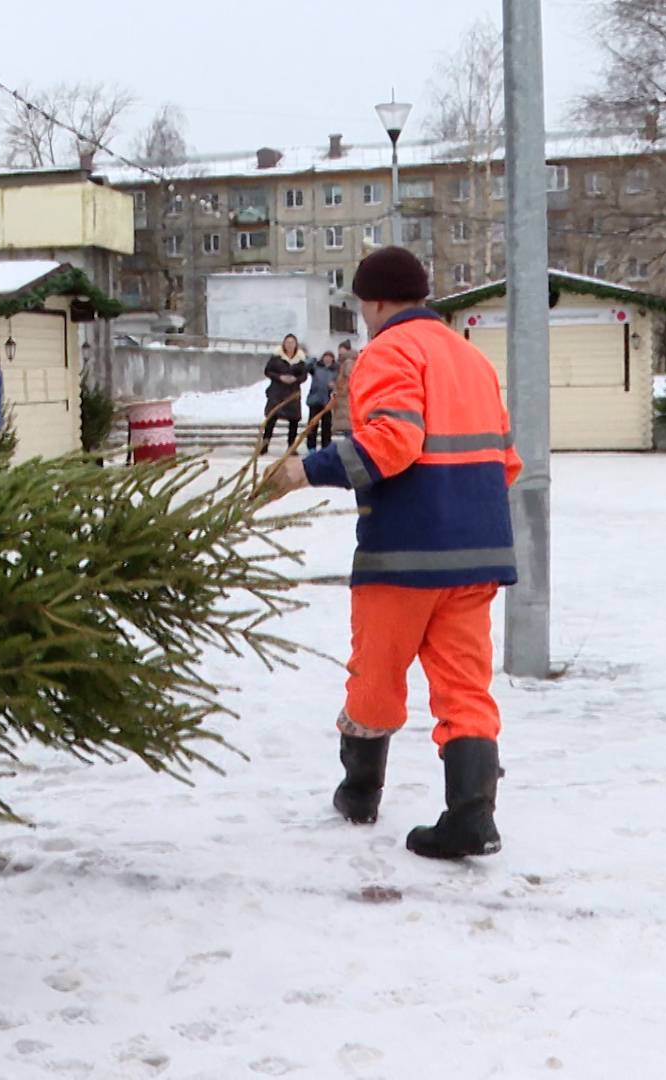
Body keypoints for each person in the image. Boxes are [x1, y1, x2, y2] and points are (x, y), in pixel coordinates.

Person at [264, 247, 521, 861]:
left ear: (374, 301)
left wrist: (306, 469)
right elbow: (507, 460)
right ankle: (471, 817)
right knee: (466, 687)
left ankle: (359, 792)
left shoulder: (388, 352)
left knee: (375, 677)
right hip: (476, 552)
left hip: (406, 553)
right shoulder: (471, 358)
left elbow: (393, 442)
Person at [260, 334, 309, 454]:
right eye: (288, 342)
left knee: (294, 421)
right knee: (271, 419)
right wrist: (279, 377)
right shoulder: (276, 357)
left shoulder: (300, 360)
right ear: (284, 344)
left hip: (292, 393)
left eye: (292, 342)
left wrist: (295, 379)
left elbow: (304, 376)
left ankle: (291, 447)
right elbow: (268, 371)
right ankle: (264, 445)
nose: (290, 345)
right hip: (277, 392)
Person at [304, 349, 341, 451]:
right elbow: (306, 367)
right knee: (312, 425)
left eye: (330, 357)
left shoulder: (336, 370)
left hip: (328, 402)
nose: (327, 359)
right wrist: (311, 359)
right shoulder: (316, 367)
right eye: (326, 357)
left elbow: (340, 384)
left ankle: (326, 447)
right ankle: (311, 447)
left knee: (326, 426)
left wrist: (334, 386)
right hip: (315, 400)